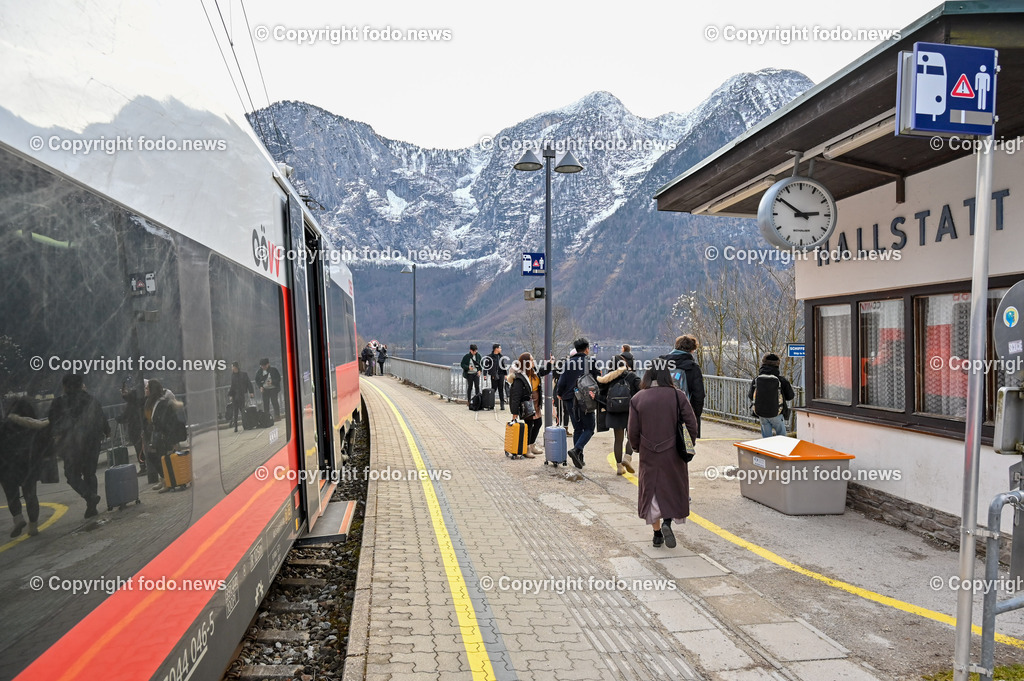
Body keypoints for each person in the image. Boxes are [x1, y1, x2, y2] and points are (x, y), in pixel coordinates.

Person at [628, 366, 698, 548]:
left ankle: (657, 534)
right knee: (672, 488)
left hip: (648, 451)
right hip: (674, 451)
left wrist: (637, 447)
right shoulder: (678, 395)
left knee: (651, 492)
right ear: (668, 377)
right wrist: (689, 445)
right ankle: (668, 522)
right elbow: (691, 424)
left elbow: (633, 431)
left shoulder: (638, 398)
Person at [48, 373, 109, 518]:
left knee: (71, 475)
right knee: (89, 473)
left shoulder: (59, 403)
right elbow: (101, 417)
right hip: (92, 443)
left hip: (72, 445)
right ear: (81, 384)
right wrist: (106, 430)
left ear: (64, 386)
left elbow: (54, 425)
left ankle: (89, 496)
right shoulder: (91, 399)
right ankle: (92, 506)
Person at [0, 398, 48, 536]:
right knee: (31, 496)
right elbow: (43, 446)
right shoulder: (35, 426)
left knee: (11, 496)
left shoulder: (4, 425)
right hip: (28, 466)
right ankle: (33, 527)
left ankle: (18, 518)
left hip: (7, 466)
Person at [555, 338, 600, 469]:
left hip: (569, 399)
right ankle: (577, 450)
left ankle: (579, 458)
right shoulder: (591, 361)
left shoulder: (568, 363)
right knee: (590, 428)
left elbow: (561, 381)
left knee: (578, 428)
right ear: (586, 349)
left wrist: (559, 393)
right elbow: (597, 380)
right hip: (585, 400)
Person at [598, 354, 641, 475]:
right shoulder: (632, 376)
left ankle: (619, 467)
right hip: (630, 411)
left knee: (618, 440)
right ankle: (627, 457)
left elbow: (602, 396)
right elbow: (642, 390)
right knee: (632, 437)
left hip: (614, 412)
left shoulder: (608, 379)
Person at [661, 335, 705, 437]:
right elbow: (699, 395)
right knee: (685, 447)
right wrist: (695, 415)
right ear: (692, 350)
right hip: (684, 414)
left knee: (665, 444)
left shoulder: (662, 362)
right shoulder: (693, 367)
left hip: (662, 412)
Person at [145, 379, 185, 491]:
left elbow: (167, 422)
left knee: (160, 457)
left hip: (164, 436)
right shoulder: (153, 402)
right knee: (154, 456)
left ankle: (167, 480)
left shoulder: (161, 403)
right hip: (158, 435)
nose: (145, 390)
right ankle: (164, 479)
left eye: (147, 388)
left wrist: (172, 441)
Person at [749, 353, 796, 438]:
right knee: (781, 438)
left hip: (761, 413)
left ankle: (766, 450)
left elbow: (750, 396)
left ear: (763, 363)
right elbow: (790, 396)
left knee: (766, 439)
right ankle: (780, 451)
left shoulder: (757, 379)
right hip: (776, 413)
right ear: (777, 364)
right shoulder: (781, 380)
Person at [507, 353, 543, 458]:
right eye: (531, 360)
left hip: (535, 402)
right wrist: (514, 412)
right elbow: (515, 396)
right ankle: (526, 448)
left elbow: (543, 371)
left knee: (538, 423)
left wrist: (550, 363)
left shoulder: (534, 372)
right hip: (526, 404)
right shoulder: (519, 377)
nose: (533, 362)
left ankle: (532, 445)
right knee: (529, 425)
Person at [116, 377, 147, 473]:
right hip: (138, 427)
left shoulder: (132, 403)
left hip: (135, 428)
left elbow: (125, 416)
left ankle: (143, 466)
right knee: (142, 448)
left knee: (139, 448)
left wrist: (119, 418)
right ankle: (144, 465)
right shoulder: (136, 402)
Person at [227, 362, 255, 432]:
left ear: (235, 367)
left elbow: (248, 383)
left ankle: (245, 425)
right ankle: (236, 427)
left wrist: (251, 392)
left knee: (243, 411)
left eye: (232, 367)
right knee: (235, 412)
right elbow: (232, 386)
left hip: (241, 395)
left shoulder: (243, 375)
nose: (231, 368)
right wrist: (230, 394)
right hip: (234, 396)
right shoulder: (232, 376)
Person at [486, 344, 508, 410]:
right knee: (493, 389)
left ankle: (502, 404)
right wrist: (486, 374)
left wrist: (505, 374)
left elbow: (503, 366)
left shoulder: (501, 356)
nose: (501, 349)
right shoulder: (490, 357)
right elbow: (486, 366)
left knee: (501, 389)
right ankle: (490, 404)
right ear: (496, 349)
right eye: (500, 348)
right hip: (494, 375)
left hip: (501, 374)